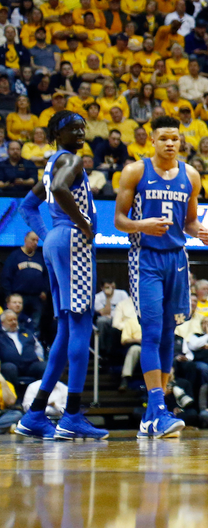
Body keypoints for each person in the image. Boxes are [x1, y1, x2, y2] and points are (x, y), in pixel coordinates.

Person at [113, 114, 208, 438]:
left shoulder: (191, 175)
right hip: (145, 257)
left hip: (177, 259)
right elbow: (118, 220)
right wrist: (142, 225)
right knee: (153, 331)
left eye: (175, 138)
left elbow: (189, 223)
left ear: (180, 140)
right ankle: (157, 408)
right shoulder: (135, 171)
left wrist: (201, 232)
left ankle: (153, 414)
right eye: (164, 138)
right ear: (152, 140)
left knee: (171, 335)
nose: (170, 143)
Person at [14, 112, 108, 441]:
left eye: (83, 127)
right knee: (81, 324)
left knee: (66, 331)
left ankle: (36, 414)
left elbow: (27, 206)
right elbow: (58, 188)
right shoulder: (72, 160)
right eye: (73, 128)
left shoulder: (52, 161)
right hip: (72, 242)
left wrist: (49, 234)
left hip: (58, 241)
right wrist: (82, 225)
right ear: (57, 132)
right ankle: (71, 416)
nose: (81, 132)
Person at [2, 231, 47, 332]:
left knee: (35, 324)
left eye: (37, 240)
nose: (35, 243)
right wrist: (9, 295)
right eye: (32, 240)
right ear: (25, 240)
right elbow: (6, 277)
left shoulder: (40, 257)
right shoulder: (15, 256)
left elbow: (46, 276)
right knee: (16, 321)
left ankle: (33, 343)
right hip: (18, 296)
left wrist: (45, 290)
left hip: (36, 298)